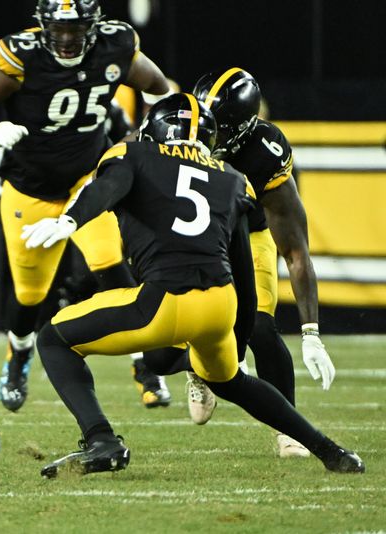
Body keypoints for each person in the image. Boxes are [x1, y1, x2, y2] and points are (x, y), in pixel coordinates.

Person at [21, 93, 364, 477]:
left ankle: (101, 439)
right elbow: (243, 275)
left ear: (154, 131)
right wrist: (238, 336)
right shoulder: (234, 180)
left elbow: (107, 188)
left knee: (53, 339)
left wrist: (70, 220)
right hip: (220, 305)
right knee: (232, 379)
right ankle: (333, 452)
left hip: (163, 300)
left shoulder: (132, 154)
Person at [0, 0, 173, 412]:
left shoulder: (115, 46)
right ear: (43, 26)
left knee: (112, 268)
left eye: (76, 29)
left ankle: (146, 365)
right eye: (59, 29)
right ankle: (18, 355)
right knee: (31, 294)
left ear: (94, 26)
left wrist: (143, 137)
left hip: (87, 181)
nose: (67, 39)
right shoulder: (23, 54)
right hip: (29, 188)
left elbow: (161, 89)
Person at [151, 68, 333, 458]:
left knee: (261, 331)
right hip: (191, 235)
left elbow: (296, 249)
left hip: (248, 235)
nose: (209, 131)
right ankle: (196, 366)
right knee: (159, 354)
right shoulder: (179, 124)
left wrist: (311, 331)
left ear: (245, 127)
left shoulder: (263, 152)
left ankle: (291, 431)